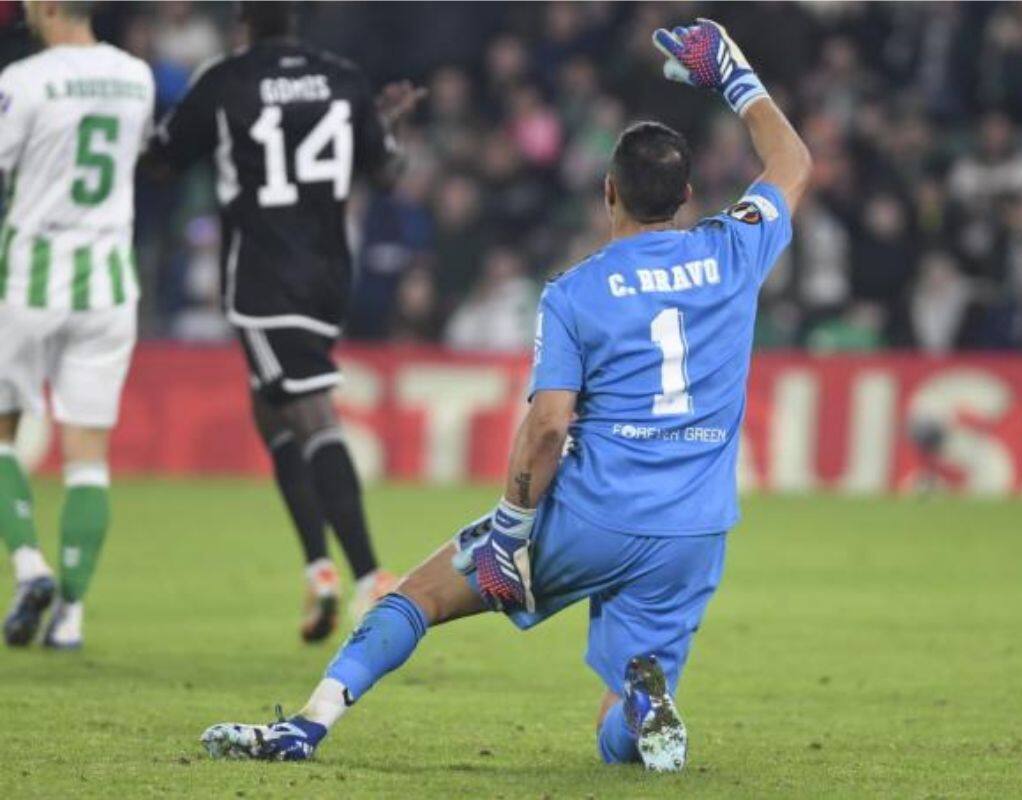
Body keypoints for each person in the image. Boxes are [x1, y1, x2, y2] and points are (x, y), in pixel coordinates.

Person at [199, 18, 811, 772]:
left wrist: (512, 532)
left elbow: (549, 427)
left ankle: (307, 726)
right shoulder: (733, 250)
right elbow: (792, 160)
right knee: (617, 721)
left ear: (608, 191)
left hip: (592, 513)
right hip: (694, 530)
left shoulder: (575, 293)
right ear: (687, 195)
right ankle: (644, 698)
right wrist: (732, 72)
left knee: (417, 596)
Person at [148, 2, 424, 641]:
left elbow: (162, 160)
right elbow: (388, 173)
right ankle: (319, 570)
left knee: (310, 413)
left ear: (243, 18)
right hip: (328, 276)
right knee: (271, 404)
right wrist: (381, 124)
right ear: (295, 18)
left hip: (264, 277)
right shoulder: (343, 78)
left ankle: (369, 578)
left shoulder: (228, 80)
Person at [0, 1, 153, 649]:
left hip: (31, 279)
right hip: (110, 285)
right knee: (88, 457)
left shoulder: (25, 80)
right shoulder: (137, 77)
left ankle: (29, 565)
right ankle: (70, 617)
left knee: (2, 435)